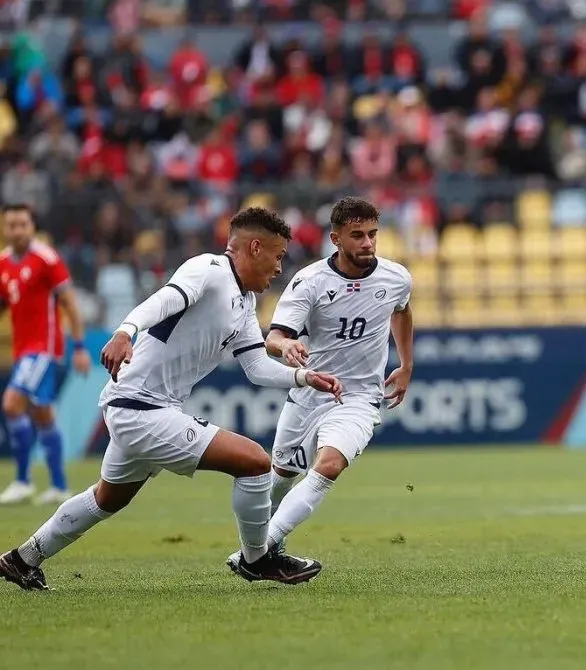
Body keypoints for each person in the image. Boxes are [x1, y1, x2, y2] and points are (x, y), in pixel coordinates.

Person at [0, 207, 343, 591]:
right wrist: (125, 330)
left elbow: (256, 367)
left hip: (145, 407)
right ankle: (257, 558)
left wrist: (302, 377)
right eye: (278, 256)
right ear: (255, 247)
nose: (280, 268)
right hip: (140, 407)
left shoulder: (244, 301)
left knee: (107, 498)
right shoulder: (209, 270)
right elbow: (163, 300)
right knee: (255, 463)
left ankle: (22, 558)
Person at [225, 197, 413, 572]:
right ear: (336, 239)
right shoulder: (309, 281)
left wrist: (406, 363)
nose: (368, 243)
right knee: (279, 478)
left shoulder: (396, 278)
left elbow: (403, 311)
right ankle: (264, 551)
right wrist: (287, 345)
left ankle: (255, 554)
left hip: (358, 398)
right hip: (309, 395)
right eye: (357, 235)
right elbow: (274, 337)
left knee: (328, 466)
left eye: (373, 234)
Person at [0, 204, 90, 506]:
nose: (16, 230)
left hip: (44, 348)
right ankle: (59, 486)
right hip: (22, 349)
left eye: (22, 224)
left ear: (32, 227)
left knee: (12, 403)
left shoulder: (47, 259)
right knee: (42, 414)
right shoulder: (3, 263)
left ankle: (23, 481)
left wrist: (79, 347)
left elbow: (71, 304)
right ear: (4, 228)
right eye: (11, 225)